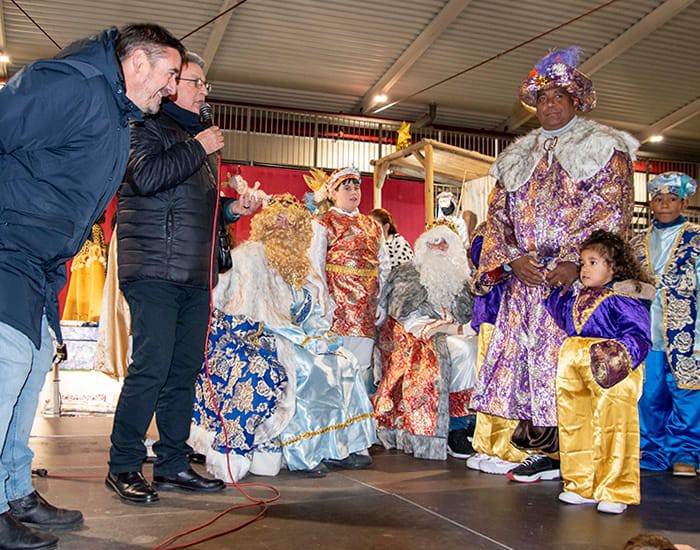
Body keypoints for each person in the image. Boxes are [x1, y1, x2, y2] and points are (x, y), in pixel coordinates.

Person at [0, 23, 184, 549]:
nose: (169, 88)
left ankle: (13, 492)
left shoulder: (115, 111)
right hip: (9, 247)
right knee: (6, 369)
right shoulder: (73, 85)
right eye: (169, 75)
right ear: (139, 63)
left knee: (30, 372)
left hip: (40, 261)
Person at [470, 46, 638, 482]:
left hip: (571, 282)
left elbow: (610, 214)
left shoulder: (603, 148)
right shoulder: (516, 158)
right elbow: (498, 219)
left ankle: (560, 450)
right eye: (542, 98)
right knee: (518, 359)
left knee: (556, 361)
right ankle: (524, 443)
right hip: (524, 278)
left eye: (558, 97)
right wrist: (511, 260)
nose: (549, 104)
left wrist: (575, 263)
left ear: (575, 101)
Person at [106, 51, 261, 505]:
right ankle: (123, 465)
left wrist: (235, 210)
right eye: (194, 82)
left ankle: (173, 461)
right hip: (153, 269)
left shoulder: (198, 141)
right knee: (150, 369)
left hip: (194, 275)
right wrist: (199, 148)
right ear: (172, 85)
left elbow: (204, 212)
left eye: (204, 85)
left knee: (183, 372)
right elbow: (144, 176)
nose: (202, 91)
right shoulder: (144, 125)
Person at [190, 194, 376, 480]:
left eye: (291, 222)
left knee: (343, 362)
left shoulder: (303, 267)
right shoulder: (245, 257)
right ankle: (302, 452)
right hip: (259, 336)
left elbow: (313, 311)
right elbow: (219, 302)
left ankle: (339, 446)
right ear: (265, 222)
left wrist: (320, 336)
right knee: (309, 367)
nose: (283, 225)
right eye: (277, 218)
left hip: (297, 336)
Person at [545, 230, 652, 514]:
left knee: (614, 427)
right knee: (575, 424)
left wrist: (619, 357)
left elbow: (639, 334)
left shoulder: (625, 299)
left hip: (611, 368)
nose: (584, 268)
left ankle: (615, 488)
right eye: (582, 262)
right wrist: (554, 288)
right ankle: (581, 482)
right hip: (574, 366)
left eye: (593, 262)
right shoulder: (579, 296)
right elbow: (560, 313)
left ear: (614, 268)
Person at [373, 222, 477, 460]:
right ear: (423, 245)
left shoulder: (462, 281)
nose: (438, 247)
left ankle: (470, 420)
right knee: (464, 350)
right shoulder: (408, 274)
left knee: (479, 347)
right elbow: (403, 316)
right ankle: (455, 428)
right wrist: (450, 329)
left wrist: (461, 328)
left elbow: (470, 314)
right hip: (417, 336)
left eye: (445, 242)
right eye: (434, 241)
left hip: (455, 332)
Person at [630, 172, 700, 478]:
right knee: (649, 393)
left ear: (684, 202)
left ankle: (685, 450)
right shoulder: (635, 242)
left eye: (672, 199)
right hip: (647, 331)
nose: (665, 204)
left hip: (689, 330)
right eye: (658, 199)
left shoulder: (696, 240)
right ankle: (651, 449)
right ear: (651, 202)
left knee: (687, 392)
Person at [315, 167, 390, 392]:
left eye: (356, 187)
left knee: (362, 364)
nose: (353, 192)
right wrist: (323, 301)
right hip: (336, 307)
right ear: (333, 192)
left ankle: (358, 418)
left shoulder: (373, 226)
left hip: (366, 306)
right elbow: (315, 263)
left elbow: (384, 266)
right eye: (346, 188)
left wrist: (382, 301)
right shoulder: (323, 222)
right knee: (333, 364)